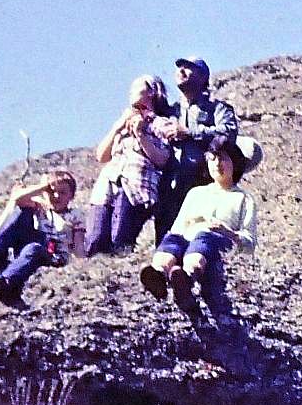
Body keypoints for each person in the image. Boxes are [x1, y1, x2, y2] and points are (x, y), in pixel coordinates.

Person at [141, 136, 260, 330]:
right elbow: (178, 227)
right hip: (186, 236)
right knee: (172, 240)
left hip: (216, 240)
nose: (217, 164)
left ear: (235, 163)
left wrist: (229, 232)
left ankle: (186, 278)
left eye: (223, 158)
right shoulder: (196, 193)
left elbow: (249, 242)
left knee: (202, 239)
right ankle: (159, 274)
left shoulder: (244, 199)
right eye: (213, 158)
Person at [152, 56, 239, 243]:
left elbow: (228, 132)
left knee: (197, 234)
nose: (181, 71)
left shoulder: (217, 108)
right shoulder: (169, 112)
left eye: (188, 67)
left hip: (201, 182)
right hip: (170, 184)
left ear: (202, 77)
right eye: (179, 67)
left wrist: (189, 133)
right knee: (166, 238)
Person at [85, 74, 172, 255]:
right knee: (95, 239)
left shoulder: (160, 123)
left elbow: (162, 159)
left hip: (135, 186)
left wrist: (141, 135)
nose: (131, 91)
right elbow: (101, 155)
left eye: (136, 87)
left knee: (120, 240)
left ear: (151, 92)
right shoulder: (122, 121)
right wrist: (117, 127)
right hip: (107, 184)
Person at [0, 170, 82, 309]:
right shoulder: (41, 207)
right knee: (23, 211)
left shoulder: (75, 215)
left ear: (71, 195)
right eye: (52, 192)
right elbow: (17, 199)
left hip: (55, 256)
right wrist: (42, 187)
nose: (56, 196)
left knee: (33, 248)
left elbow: (78, 246)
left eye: (62, 192)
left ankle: (6, 281)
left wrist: (79, 263)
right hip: (36, 245)